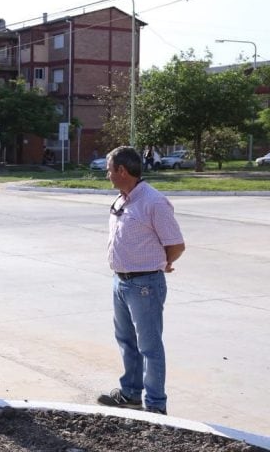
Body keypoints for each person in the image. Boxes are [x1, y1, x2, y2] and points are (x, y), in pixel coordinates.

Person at [97, 146, 185, 415]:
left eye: (109, 170)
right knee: (126, 340)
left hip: (144, 285)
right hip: (121, 282)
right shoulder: (123, 198)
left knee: (149, 346)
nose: (107, 175)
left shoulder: (153, 202)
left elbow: (176, 244)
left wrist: (162, 264)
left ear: (122, 171)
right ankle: (131, 394)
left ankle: (156, 406)